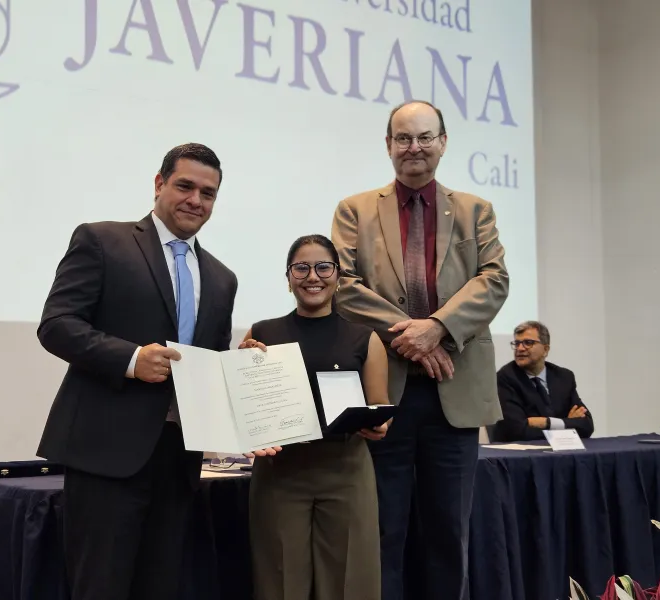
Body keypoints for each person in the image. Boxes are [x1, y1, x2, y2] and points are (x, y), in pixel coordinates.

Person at [35, 143, 237, 600]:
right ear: (159, 183)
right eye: (185, 186)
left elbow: (211, 360)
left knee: (161, 586)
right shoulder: (102, 240)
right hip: (108, 454)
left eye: (208, 193)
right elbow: (57, 325)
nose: (195, 200)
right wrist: (130, 360)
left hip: (179, 458)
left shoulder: (222, 277)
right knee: (100, 586)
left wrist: (245, 371)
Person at [331, 101, 509, 600]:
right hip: (385, 392)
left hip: (455, 394)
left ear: (444, 142)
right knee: (381, 531)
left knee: (448, 535)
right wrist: (412, 334)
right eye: (403, 138)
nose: (414, 148)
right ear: (388, 145)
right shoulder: (355, 210)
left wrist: (439, 327)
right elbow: (343, 285)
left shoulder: (476, 210)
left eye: (425, 137)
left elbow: (494, 280)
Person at [240, 234, 390, 600]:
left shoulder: (364, 337)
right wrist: (242, 363)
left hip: (346, 472)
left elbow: (380, 404)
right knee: (280, 583)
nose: (313, 277)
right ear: (288, 277)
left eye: (324, 267)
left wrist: (380, 423)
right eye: (301, 268)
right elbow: (245, 406)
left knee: (350, 584)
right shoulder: (261, 335)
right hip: (280, 475)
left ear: (338, 276)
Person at [493, 321, 594, 442]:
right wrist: (567, 424)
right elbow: (517, 431)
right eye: (517, 343)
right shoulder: (505, 377)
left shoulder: (563, 377)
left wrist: (546, 422)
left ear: (545, 350)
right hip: (520, 455)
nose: (520, 348)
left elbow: (587, 425)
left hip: (560, 452)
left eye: (528, 343)